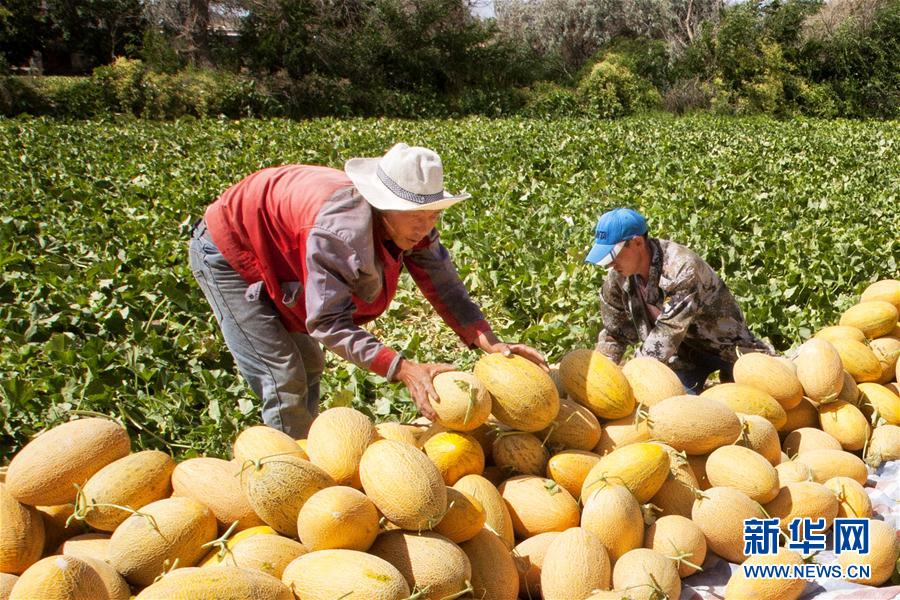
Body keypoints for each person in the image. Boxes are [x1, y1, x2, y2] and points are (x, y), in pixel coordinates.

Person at [189, 143, 546, 437]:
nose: (425, 226)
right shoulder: (338, 234)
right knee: (281, 375)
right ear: (382, 206)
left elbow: (445, 285)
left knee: (309, 362)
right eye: (415, 215)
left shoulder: (413, 221)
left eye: (433, 214)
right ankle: (294, 480)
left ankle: (302, 450)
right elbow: (328, 322)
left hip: (282, 239)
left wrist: (486, 339)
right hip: (230, 250)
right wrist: (403, 368)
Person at [585, 207, 774, 393]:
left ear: (637, 242)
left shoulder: (682, 268)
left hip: (726, 348)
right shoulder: (617, 278)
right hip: (681, 356)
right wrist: (601, 382)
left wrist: (633, 373)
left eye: (614, 254)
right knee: (671, 408)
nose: (610, 263)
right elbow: (615, 333)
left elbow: (665, 335)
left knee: (766, 394)